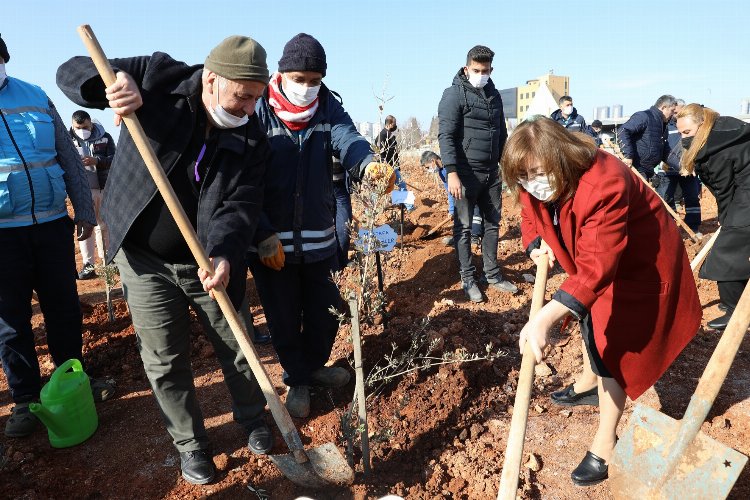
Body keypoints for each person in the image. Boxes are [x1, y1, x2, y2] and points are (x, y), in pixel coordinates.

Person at [57, 35, 274, 485]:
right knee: (164, 359)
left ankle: (254, 418)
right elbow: (72, 69)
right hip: (143, 259)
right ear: (212, 79)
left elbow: (242, 205)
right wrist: (110, 88)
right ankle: (191, 444)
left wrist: (225, 254)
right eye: (243, 96)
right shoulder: (159, 76)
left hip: (208, 260)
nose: (250, 108)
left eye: (257, 98)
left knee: (237, 346)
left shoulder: (252, 135)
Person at [502, 116, 701, 486]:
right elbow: (529, 209)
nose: (533, 184)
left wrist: (544, 318)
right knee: (588, 319)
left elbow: (596, 269)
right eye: (524, 177)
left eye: (539, 173)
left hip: (638, 264)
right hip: (594, 261)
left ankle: (605, 442)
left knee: (612, 341)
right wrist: (534, 243)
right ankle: (587, 381)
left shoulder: (603, 180)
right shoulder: (534, 178)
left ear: (561, 157)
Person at [248, 33, 393, 419]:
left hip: (319, 237)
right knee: (282, 314)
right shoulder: (258, 110)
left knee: (324, 310)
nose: (307, 88)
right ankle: (297, 379)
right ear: (281, 73)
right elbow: (244, 179)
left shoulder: (327, 107)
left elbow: (349, 140)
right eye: (300, 78)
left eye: (315, 80)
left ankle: (312, 367)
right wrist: (261, 232)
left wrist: (367, 164)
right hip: (271, 241)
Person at [0, 33, 115, 440]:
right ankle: (25, 399)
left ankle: (73, 380)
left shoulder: (35, 96)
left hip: (50, 226)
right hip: (3, 236)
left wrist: (83, 210)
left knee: (63, 307)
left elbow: (66, 155)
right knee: (11, 321)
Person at [438, 45, 517, 303]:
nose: (481, 74)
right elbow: (446, 136)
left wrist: (505, 165)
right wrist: (451, 172)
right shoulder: (453, 95)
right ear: (466, 68)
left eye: (485, 70)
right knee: (462, 228)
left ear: (491, 70)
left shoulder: (493, 95)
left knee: (493, 224)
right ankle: (468, 278)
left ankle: (493, 274)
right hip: (464, 173)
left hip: (491, 174)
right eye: (476, 70)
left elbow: (501, 133)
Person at [677, 103, 750, 330]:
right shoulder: (727, 131)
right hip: (745, 193)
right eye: (680, 133)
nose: (683, 138)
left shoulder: (715, 150)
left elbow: (724, 190)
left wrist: (727, 219)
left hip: (746, 197)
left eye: (687, 132)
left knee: (726, 253)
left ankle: (734, 310)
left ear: (702, 124)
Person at [69, 110, 116, 279]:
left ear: (91, 123)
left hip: (103, 188)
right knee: (85, 227)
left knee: (103, 226)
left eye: (85, 126)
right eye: (78, 127)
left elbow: (114, 159)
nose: (82, 129)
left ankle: (108, 262)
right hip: (81, 191)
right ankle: (88, 265)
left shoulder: (105, 137)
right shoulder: (67, 138)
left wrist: (97, 161)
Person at [654, 99, 702, 235]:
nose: (676, 113)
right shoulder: (665, 127)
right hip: (667, 170)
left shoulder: (690, 125)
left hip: (688, 170)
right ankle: (669, 229)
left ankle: (693, 227)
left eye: (679, 110)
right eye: (674, 111)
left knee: (692, 198)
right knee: (666, 199)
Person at [420, 150, 483, 246]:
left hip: (470, 187)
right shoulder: (441, 172)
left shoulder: (450, 164)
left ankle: (475, 237)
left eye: (428, 167)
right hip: (459, 193)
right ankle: (460, 237)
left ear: (433, 161)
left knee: (475, 211)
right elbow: (449, 191)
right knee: (460, 213)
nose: (428, 170)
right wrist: (451, 209)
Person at [617, 95, 676, 181]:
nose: (673, 114)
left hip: (648, 170)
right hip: (637, 169)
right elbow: (623, 130)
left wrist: (681, 166)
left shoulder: (663, 125)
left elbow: (664, 152)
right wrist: (628, 155)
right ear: (664, 107)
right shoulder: (644, 116)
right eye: (672, 110)